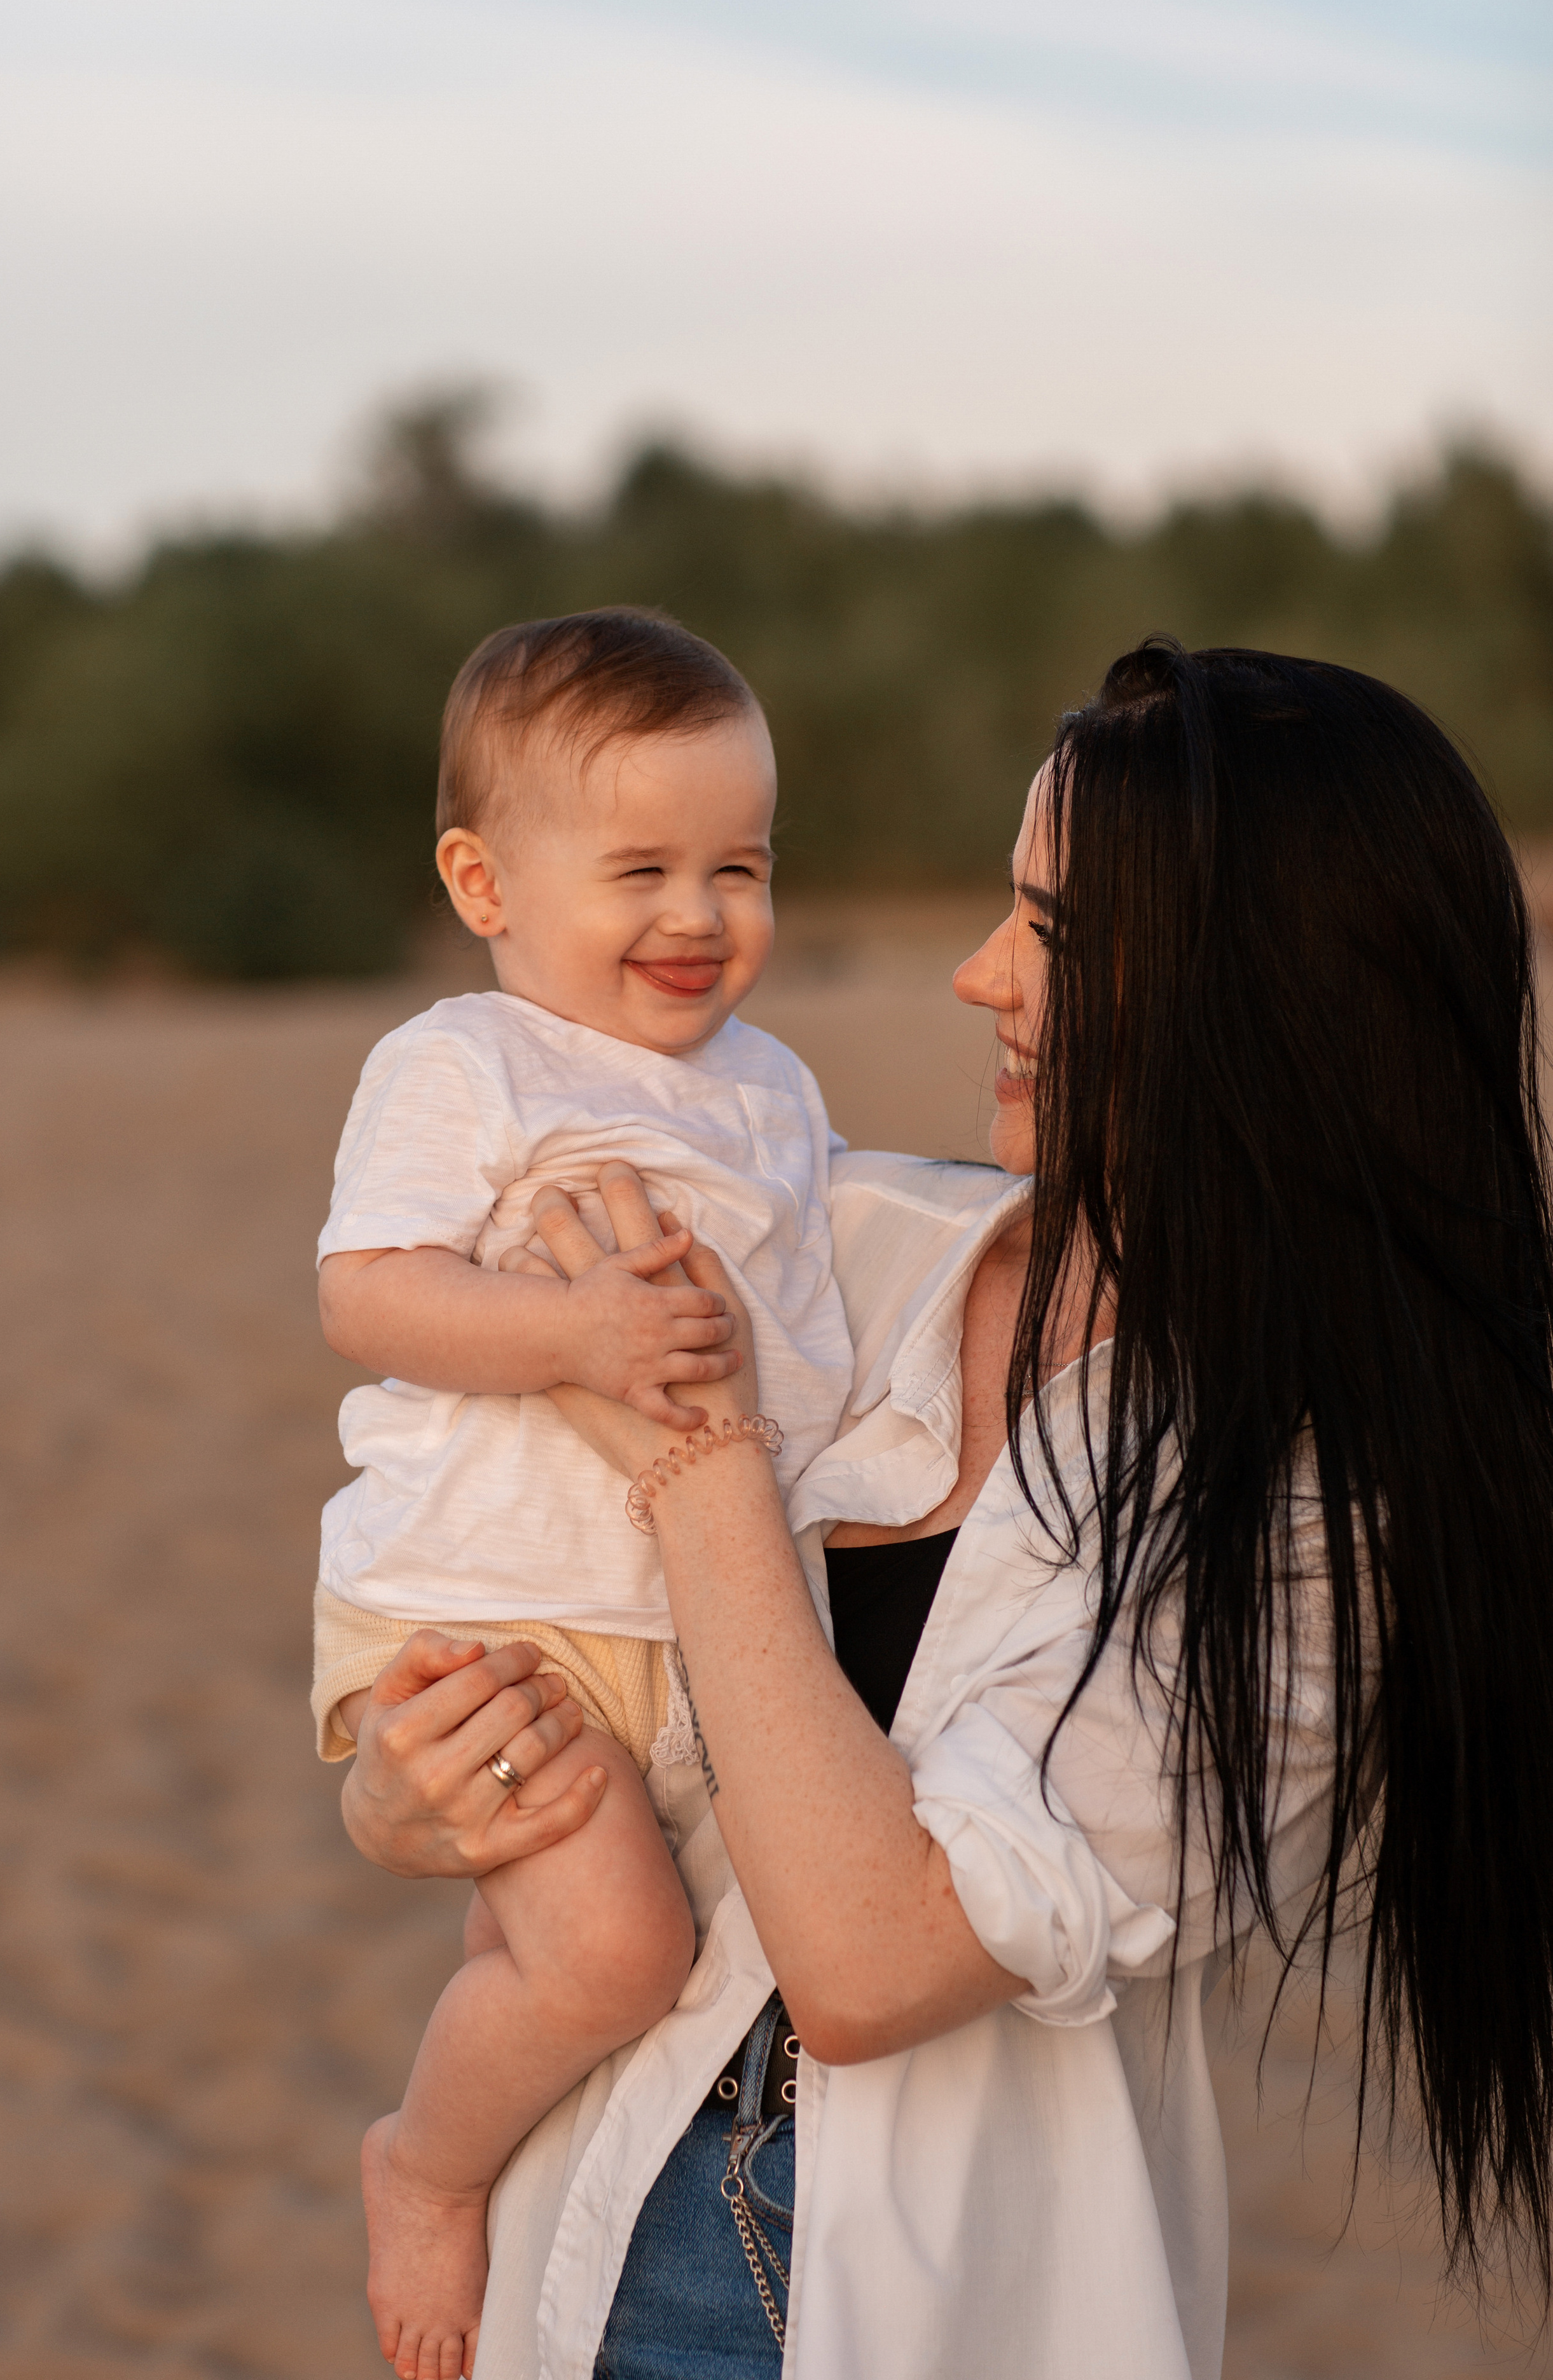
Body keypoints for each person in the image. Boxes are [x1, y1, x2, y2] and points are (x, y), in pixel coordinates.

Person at [340, 641, 1553, 2380]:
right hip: (575, 2230)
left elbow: (874, 1963)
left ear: (1262, 995)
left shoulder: (1327, 1523)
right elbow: (486, 1505)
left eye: (1051, 935)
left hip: (930, 2314)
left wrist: (703, 1463)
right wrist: (424, 1793)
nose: (979, 977)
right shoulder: (842, 1243)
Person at [314, 608, 855, 2380]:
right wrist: (569, 1330)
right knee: (617, 1955)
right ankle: (425, 2165)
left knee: (563, 1932)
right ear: (486, 880)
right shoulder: (466, 1063)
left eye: (739, 867)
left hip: (674, 1619)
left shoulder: (772, 1088)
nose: (698, 918)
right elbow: (369, 1288)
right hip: (483, 1606)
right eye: (640, 869)